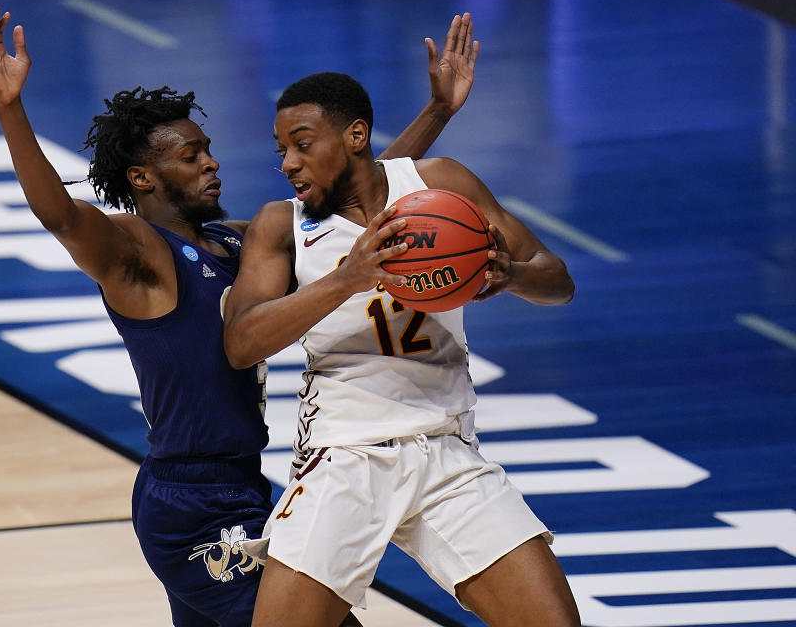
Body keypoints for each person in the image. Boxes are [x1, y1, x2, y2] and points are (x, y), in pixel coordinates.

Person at [0, 6, 480, 627]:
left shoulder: (237, 243)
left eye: (208, 150)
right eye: (191, 156)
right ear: (143, 177)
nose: (211, 162)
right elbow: (60, 215)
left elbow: (354, 203)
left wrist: (437, 113)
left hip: (244, 486)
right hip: (192, 503)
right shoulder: (139, 255)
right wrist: (10, 109)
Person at [222, 71, 580, 627]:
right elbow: (241, 344)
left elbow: (556, 280)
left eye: (302, 143)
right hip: (343, 458)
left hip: (446, 450)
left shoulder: (440, 185)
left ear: (355, 136)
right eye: (282, 150)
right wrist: (347, 278)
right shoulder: (281, 225)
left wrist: (511, 278)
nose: (288, 162)